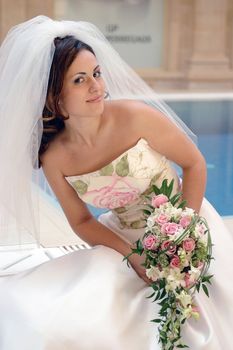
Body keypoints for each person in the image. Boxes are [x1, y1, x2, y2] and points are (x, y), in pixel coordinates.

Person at [0, 16, 232, 350]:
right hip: (120, 238)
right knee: (66, 311)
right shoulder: (55, 157)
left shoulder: (136, 118)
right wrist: (130, 256)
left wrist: (185, 232)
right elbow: (81, 221)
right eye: (79, 80)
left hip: (184, 221)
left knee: (194, 320)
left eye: (96, 73)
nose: (96, 86)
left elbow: (194, 163)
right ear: (54, 97)